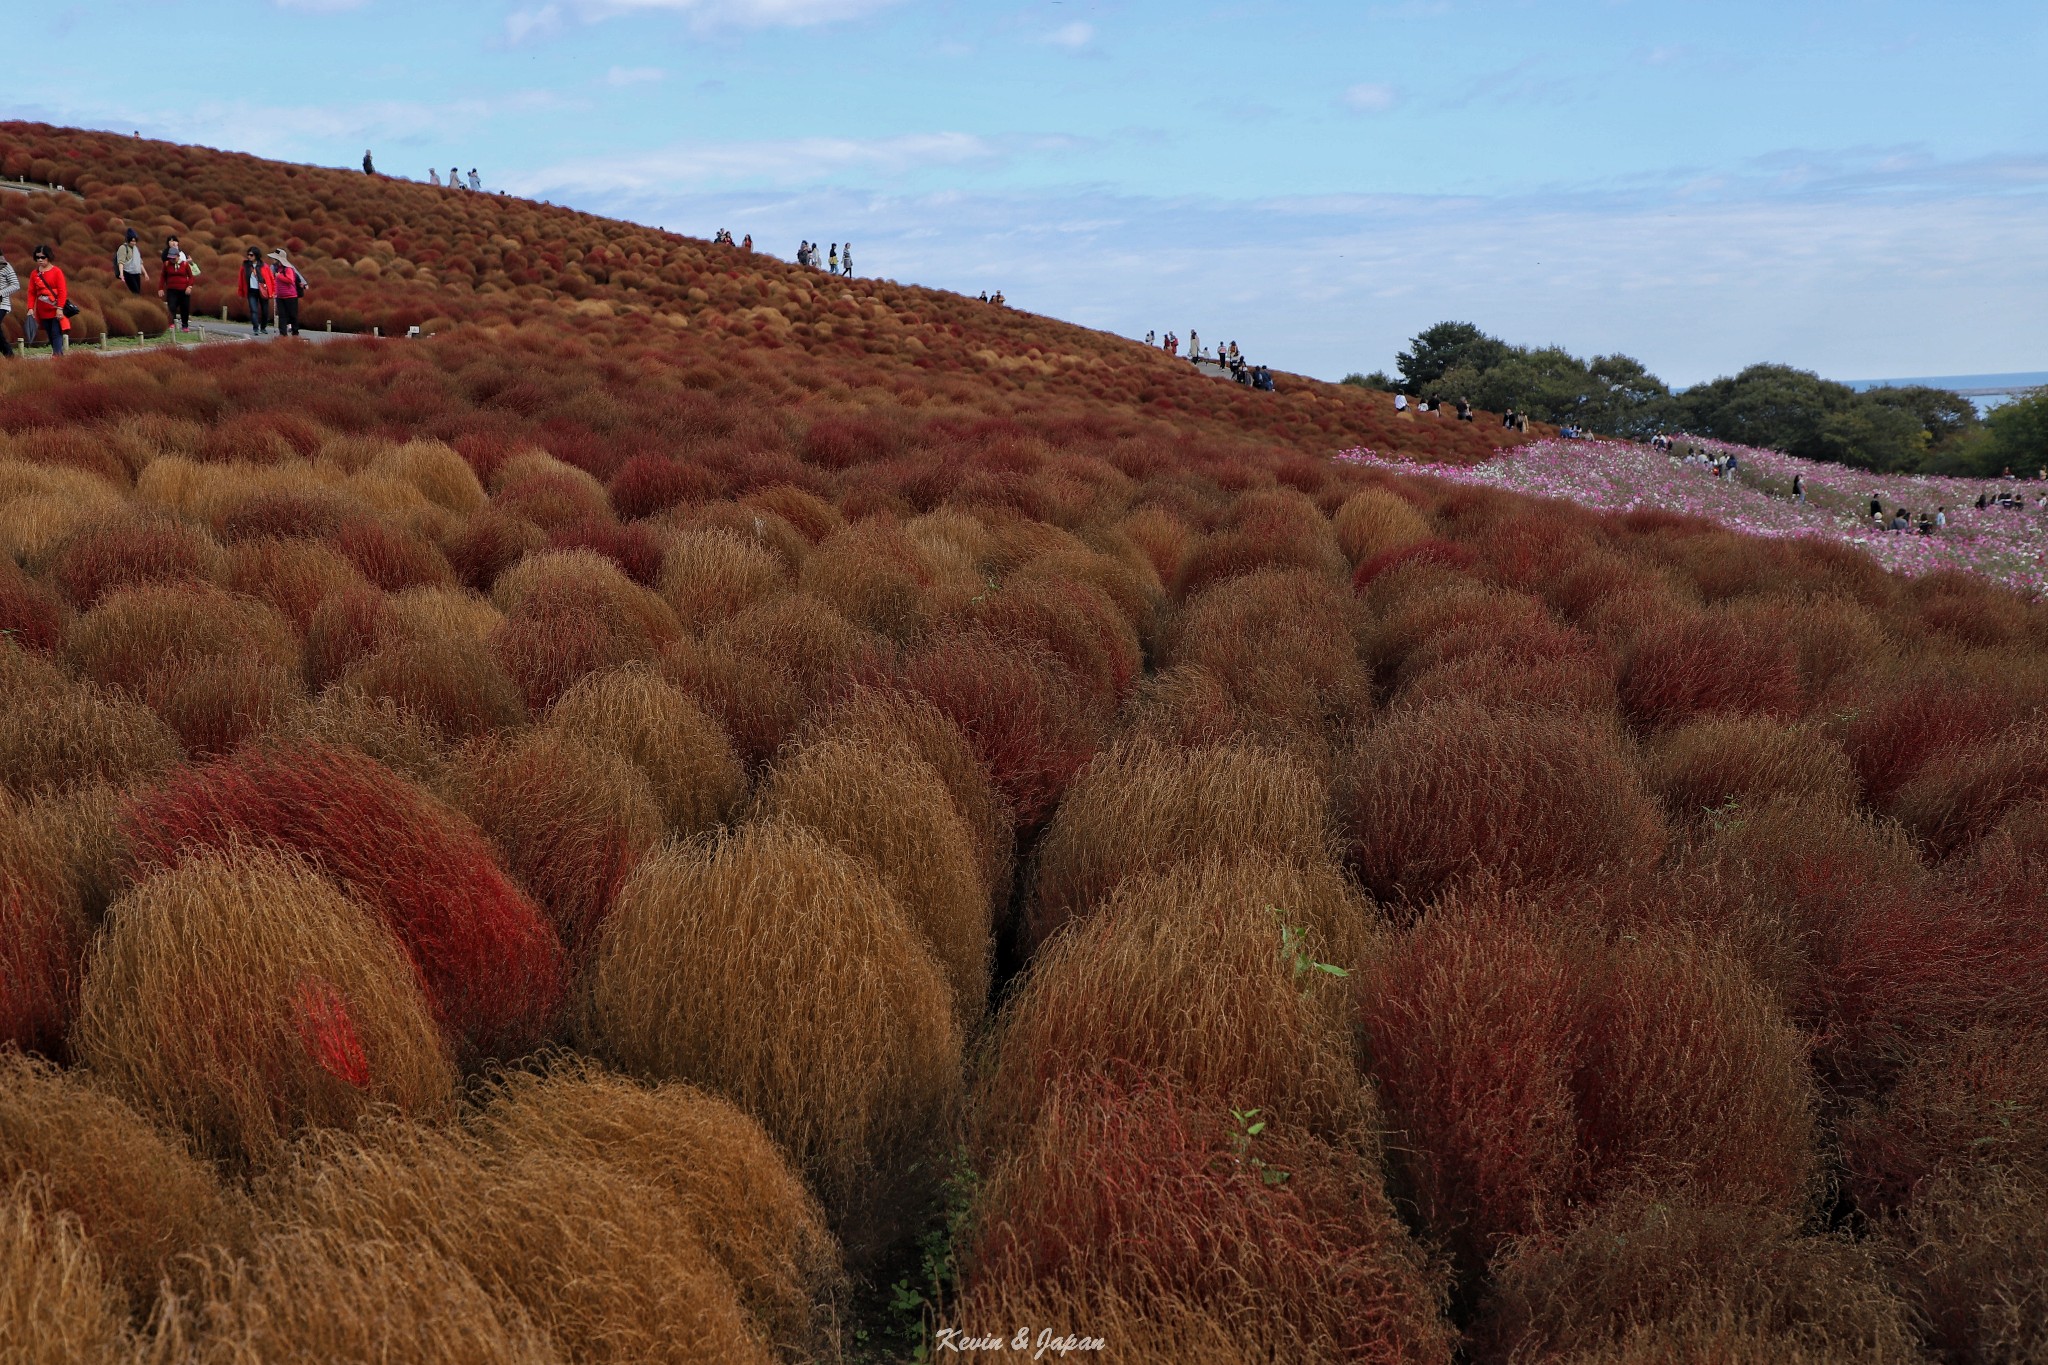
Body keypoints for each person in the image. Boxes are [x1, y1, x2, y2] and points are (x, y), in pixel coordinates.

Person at [26, 245, 69, 356]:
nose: (40, 260)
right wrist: (30, 308)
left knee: (56, 333)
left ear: (48, 257)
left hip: (55, 308)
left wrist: (60, 308)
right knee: (50, 334)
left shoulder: (57, 272)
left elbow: (62, 291)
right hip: (42, 310)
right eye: (37, 257)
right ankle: (59, 355)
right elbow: (31, 292)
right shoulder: (34, 274)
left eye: (43, 257)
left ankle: (56, 356)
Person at [158, 236, 197, 332]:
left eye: (174, 258)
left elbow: (191, 277)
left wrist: (189, 286)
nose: (172, 260)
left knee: (185, 308)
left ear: (178, 256)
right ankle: (171, 324)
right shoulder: (166, 264)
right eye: (170, 258)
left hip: (184, 290)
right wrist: (160, 288)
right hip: (171, 289)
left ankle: (185, 326)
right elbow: (163, 277)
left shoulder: (185, 264)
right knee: (171, 307)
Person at [267, 249, 307, 336]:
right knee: (282, 316)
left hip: (290, 296)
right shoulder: (275, 268)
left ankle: (295, 333)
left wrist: (279, 276)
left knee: (293, 316)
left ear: (279, 260)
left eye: (275, 259)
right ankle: (283, 334)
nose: (273, 260)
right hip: (280, 296)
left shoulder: (288, 268)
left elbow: (290, 280)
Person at [240, 247, 275, 336]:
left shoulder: (264, 266)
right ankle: (256, 328)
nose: (249, 257)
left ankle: (263, 327)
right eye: (248, 254)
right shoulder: (245, 266)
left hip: (263, 291)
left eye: (251, 255)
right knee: (253, 310)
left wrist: (273, 291)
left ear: (256, 255)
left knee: (265, 311)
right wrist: (241, 290)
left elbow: (271, 279)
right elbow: (241, 279)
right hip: (251, 291)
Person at [114, 228, 146, 295]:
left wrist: (145, 273)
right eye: (132, 241)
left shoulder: (135, 249)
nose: (134, 243)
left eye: (135, 241)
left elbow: (139, 262)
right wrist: (121, 274)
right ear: (128, 240)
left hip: (136, 273)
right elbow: (121, 262)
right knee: (135, 292)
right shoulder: (123, 248)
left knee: (137, 292)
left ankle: (136, 303)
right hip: (128, 273)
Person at [0, 247, 16, 358]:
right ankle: (9, 356)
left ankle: (9, 355)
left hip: (2, 304)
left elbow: (15, 285)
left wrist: (0, 293)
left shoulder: (5, 266)